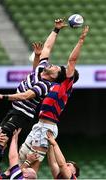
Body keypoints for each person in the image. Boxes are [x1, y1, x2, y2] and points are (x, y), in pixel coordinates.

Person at [0, 18, 67, 170]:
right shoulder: (41, 69)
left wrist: (3, 96)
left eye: (56, 68)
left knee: (2, 139)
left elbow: (26, 96)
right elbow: (47, 47)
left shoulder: (44, 86)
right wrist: (56, 30)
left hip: (22, 114)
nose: (52, 65)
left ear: (54, 76)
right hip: (14, 110)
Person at [19, 25, 89, 172]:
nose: (63, 68)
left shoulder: (66, 85)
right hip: (39, 124)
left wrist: (81, 40)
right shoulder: (51, 83)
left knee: (33, 164)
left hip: (47, 127)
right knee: (22, 156)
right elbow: (37, 72)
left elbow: (72, 61)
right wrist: (38, 56)